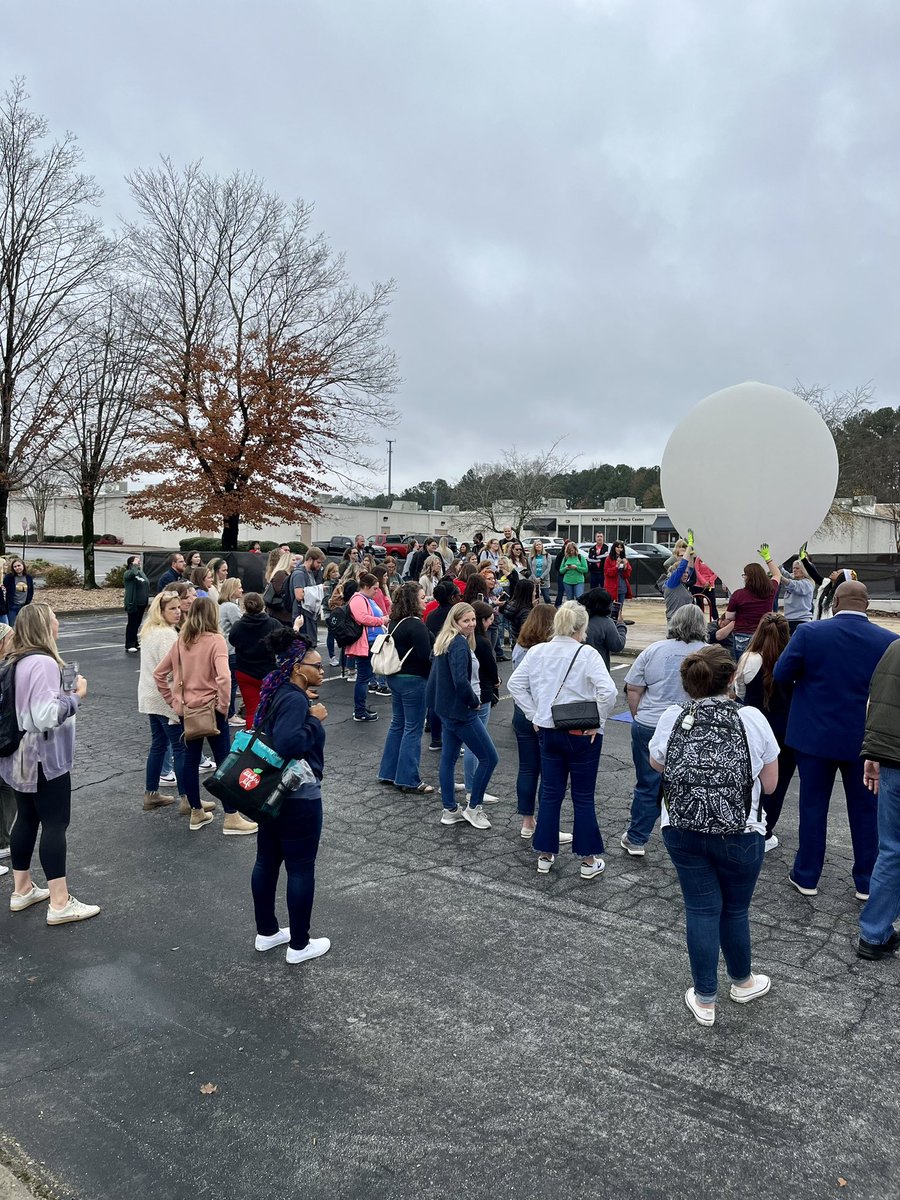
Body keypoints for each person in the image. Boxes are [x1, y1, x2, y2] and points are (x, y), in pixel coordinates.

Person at [649, 645, 779, 1026]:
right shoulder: (751, 718)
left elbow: (657, 762)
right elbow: (770, 786)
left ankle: (705, 998)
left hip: (683, 827)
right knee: (735, 909)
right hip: (741, 830)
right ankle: (742, 980)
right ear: (731, 679)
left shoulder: (674, 716)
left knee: (702, 909)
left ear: (688, 684)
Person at [774, 580, 897, 899]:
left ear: (835, 602)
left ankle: (807, 875)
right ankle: (866, 880)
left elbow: (781, 675)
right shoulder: (889, 641)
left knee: (813, 805)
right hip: (864, 740)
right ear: (867, 605)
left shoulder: (810, 633)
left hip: (813, 736)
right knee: (866, 810)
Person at [2, 603, 99, 924]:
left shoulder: (14, 660)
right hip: (44, 757)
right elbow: (43, 715)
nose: (58, 622)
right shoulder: (43, 662)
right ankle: (59, 902)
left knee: (26, 819)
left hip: (17, 757)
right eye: (54, 618)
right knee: (55, 824)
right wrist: (75, 696)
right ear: (45, 626)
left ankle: (22, 889)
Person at [508, 601, 617, 878]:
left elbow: (515, 685)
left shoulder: (537, 652)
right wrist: (599, 721)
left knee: (551, 793)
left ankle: (545, 855)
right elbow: (608, 691)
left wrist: (535, 714)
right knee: (582, 796)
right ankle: (588, 860)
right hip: (582, 732)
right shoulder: (587, 653)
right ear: (581, 627)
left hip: (548, 729)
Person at [250, 627, 331, 965]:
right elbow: (289, 743)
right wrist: (313, 721)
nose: (323, 669)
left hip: (271, 792)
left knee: (267, 861)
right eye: (316, 664)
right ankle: (299, 945)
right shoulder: (297, 699)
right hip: (298, 796)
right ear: (298, 667)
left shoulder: (278, 691)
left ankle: (267, 933)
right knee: (300, 868)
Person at [153, 597, 258, 836]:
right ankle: (231, 816)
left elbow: (159, 674)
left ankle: (196, 812)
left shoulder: (181, 641)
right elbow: (223, 677)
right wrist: (224, 706)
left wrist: (174, 701)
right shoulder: (215, 640)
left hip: (187, 711)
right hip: (212, 710)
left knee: (190, 760)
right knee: (225, 760)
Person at [621, 605, 708, 856]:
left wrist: (638, 717)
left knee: (647, 783)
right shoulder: (710, 653)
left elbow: (634, 688)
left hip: (651, 723)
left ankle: (637, 838)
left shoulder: (654, 649)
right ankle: (688, 838)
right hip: (693, 725)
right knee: (690, 784)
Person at [427, 603, 499, 830]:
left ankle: (449, 809)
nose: (471, 624)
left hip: (447, 710)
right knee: (490, 758)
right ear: (455, 621)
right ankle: (473, 807)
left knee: (448, 760)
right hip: (462, 711)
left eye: (473, 620)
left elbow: (437, 679)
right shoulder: (458, 642)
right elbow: (460, 680)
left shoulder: (445, 640)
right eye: (466, 620)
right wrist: (473, 701)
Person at [733, 612, 794, 851]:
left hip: (752, 727)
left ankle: (742, 822)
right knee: (777, 783)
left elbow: (739, 690)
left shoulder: (748, 658)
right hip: (784, 729)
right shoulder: (792, 660)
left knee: (746, 778)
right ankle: (766, 831)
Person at [858, 639, 900, 959]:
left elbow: (877, 701)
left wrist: (872, 754)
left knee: (892, 849)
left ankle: (873, 933)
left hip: (893, 762)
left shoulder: (895, 649)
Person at [510, 603, 563, 841]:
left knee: (527, 768)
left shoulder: (520, 647)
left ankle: (526, 821)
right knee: (549, 771)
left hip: (521, 712)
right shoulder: (548, 651)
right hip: (543, 713)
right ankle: (545, 822)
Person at [376, 581, 436, 793]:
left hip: (395, 677)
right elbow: (426, 657)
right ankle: (409, 779)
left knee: (398, 725)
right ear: (413, 600)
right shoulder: (416, 625)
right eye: (421, 597)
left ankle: (388, 772)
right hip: (414, 680)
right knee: (413, 728)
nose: (425, 600)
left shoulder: (395, 622)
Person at [138, 589, 193, 815]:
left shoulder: (149, 631)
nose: (178, 612)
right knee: (180, 748)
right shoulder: (167, 635)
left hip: (150, 695)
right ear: (161, 611)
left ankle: (151, 793)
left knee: (159, 745)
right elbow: (171, 671)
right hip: (166, 698)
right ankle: (187, 798)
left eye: (179, 607)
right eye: (172, 608)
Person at [463, 602, 501, 806]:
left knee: (465, 743)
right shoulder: (482, 642)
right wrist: (497, 682)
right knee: (477, 744)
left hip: (466, 694)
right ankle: (473, 788)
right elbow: (491, 668)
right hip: (482, 693)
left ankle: (469, 784)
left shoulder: (463, 640)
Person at [229, 592, 281, 729]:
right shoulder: (273, 624)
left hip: (245, 672)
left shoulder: (238, 626)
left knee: (252, 710)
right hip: (268, 671)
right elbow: (283, 641)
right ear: (263, 605)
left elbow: (232, 640)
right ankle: (270, 739)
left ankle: (253, 742)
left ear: (244, 607)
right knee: (271, 708)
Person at [346, 572, 388, 722]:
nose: (377, 591)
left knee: (365, 677)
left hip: (370, 641)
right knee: (363, 678)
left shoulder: (365, 598)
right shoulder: (358, 599)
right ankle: (359, 711)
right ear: (366, 587)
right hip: (366, 643)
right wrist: (381, 620)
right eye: (375, 588)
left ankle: (361, 708)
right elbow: (362, 618)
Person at [725, 559, 779, 659]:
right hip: (763, 634)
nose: (743, 577)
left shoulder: (738, 594)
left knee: (741, 667)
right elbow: (777, 575)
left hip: (742, 634)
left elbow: (729, 616)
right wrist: (768, 559)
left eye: (744, 575)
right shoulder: (771, 590)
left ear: (749, 577)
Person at [761, 551, 814, 633]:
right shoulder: (793, 578)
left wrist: (778, 576)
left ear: (804, 570)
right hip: (788, 620)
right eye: (794, 568)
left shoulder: (807, 584)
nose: (794, 570)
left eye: (797, 568)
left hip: (801, 621)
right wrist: (771, 558)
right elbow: (782, 571)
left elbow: (792, 584)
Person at [218, 577, 244, 724]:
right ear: (232, 590)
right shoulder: (231, 607)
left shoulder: (222, 605)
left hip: (224, 648)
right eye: (239, 587)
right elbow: (241, 626)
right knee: (232, 683)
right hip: (231, 650)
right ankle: (231, 714)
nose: (242, 590)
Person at [580, 587, 627, 669]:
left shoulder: (579, 618)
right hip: (598, 669)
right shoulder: (607, 623)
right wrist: (621, 625)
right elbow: (617, 645)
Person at [290, 547, 325, 648]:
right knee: (304, 648)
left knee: (311, 646)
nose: (319, 565)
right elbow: (299, 595)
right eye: (318, 562)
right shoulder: (299, 574)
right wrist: (318, 589)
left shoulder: (310, 573)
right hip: (302, 617)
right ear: (310, 559)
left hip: (309, 615)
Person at [123, 554, 150, 653]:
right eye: (136, 561)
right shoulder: (128, 573)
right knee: (132, 623)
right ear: (131, 563)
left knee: (137, 623)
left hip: (142, 603)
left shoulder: (141, 573)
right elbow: (132, 574)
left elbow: (146, 582)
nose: (138, 562)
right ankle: (129, 644)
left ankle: (135, 642)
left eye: (139, 561)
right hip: (133, 603)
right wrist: (134, 567)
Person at [604, 541, 633, 621]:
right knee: (610, 607)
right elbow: (607, 573)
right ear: (614, 548)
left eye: (621, 547)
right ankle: (610, 622)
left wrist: (625, 567)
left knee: (620, 607)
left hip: (622, 586)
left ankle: (618, 622)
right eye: (618, 547)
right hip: (611, 587)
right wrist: (616, 566)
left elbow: (628, 574)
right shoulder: (608, 559)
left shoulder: (624, 559)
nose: (619, 549)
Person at [265, 550, 295, 626]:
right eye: (293, 560)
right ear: (287, 561)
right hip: (279, 614)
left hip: (284, 614)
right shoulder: (280, 574)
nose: (295, 562)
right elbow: (280, 590)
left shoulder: (289, 574)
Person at [4, 558, 34, 625]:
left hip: (24, 607)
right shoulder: (9, 577)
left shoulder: (28, 577)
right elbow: (3, 587)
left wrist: (28, 602)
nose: (17, 568)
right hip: (12, 607)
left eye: (19, 565)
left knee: (23, 626)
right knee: (12, 626)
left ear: (23, 565)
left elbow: (31, 591)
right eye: (15, 566)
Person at [529, 539, 552, 604]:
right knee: (535, 598)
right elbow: (530, 568)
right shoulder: (531, 556)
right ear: (534, 547)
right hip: (534, 580)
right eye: (537, 545)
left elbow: (548, 568)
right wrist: (534, 578)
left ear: (542, 546)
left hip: (544, 581)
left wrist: (541, 577)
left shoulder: (547, 555)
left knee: (546, 598)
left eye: (540, 544)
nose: (538, 546)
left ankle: (549, 611)